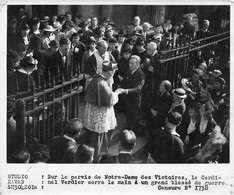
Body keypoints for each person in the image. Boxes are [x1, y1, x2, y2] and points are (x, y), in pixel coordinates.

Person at [83, 61, 120, 162]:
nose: (113, 74)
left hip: (92, 113)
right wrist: (117, 93)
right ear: (110, 72)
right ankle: (95, 158)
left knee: (91, 135)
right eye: (113, 72)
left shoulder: (95, 78)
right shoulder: (102, 83)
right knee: (98, 138)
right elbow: (111, 100)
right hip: (100, 115)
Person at [117, 55, 145, 134]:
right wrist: (119, 86)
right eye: (129, 63)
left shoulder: (140, 74)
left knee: (133, 116)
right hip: (127, 99)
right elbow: (124, 81)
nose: (130, 65)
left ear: (138, 64)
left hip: (134, 100)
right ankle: (130, 128)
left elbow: (138, 88)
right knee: (129, 115)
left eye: (132, 63)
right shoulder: (129, 72)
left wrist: (126, 91)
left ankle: (132, 132)